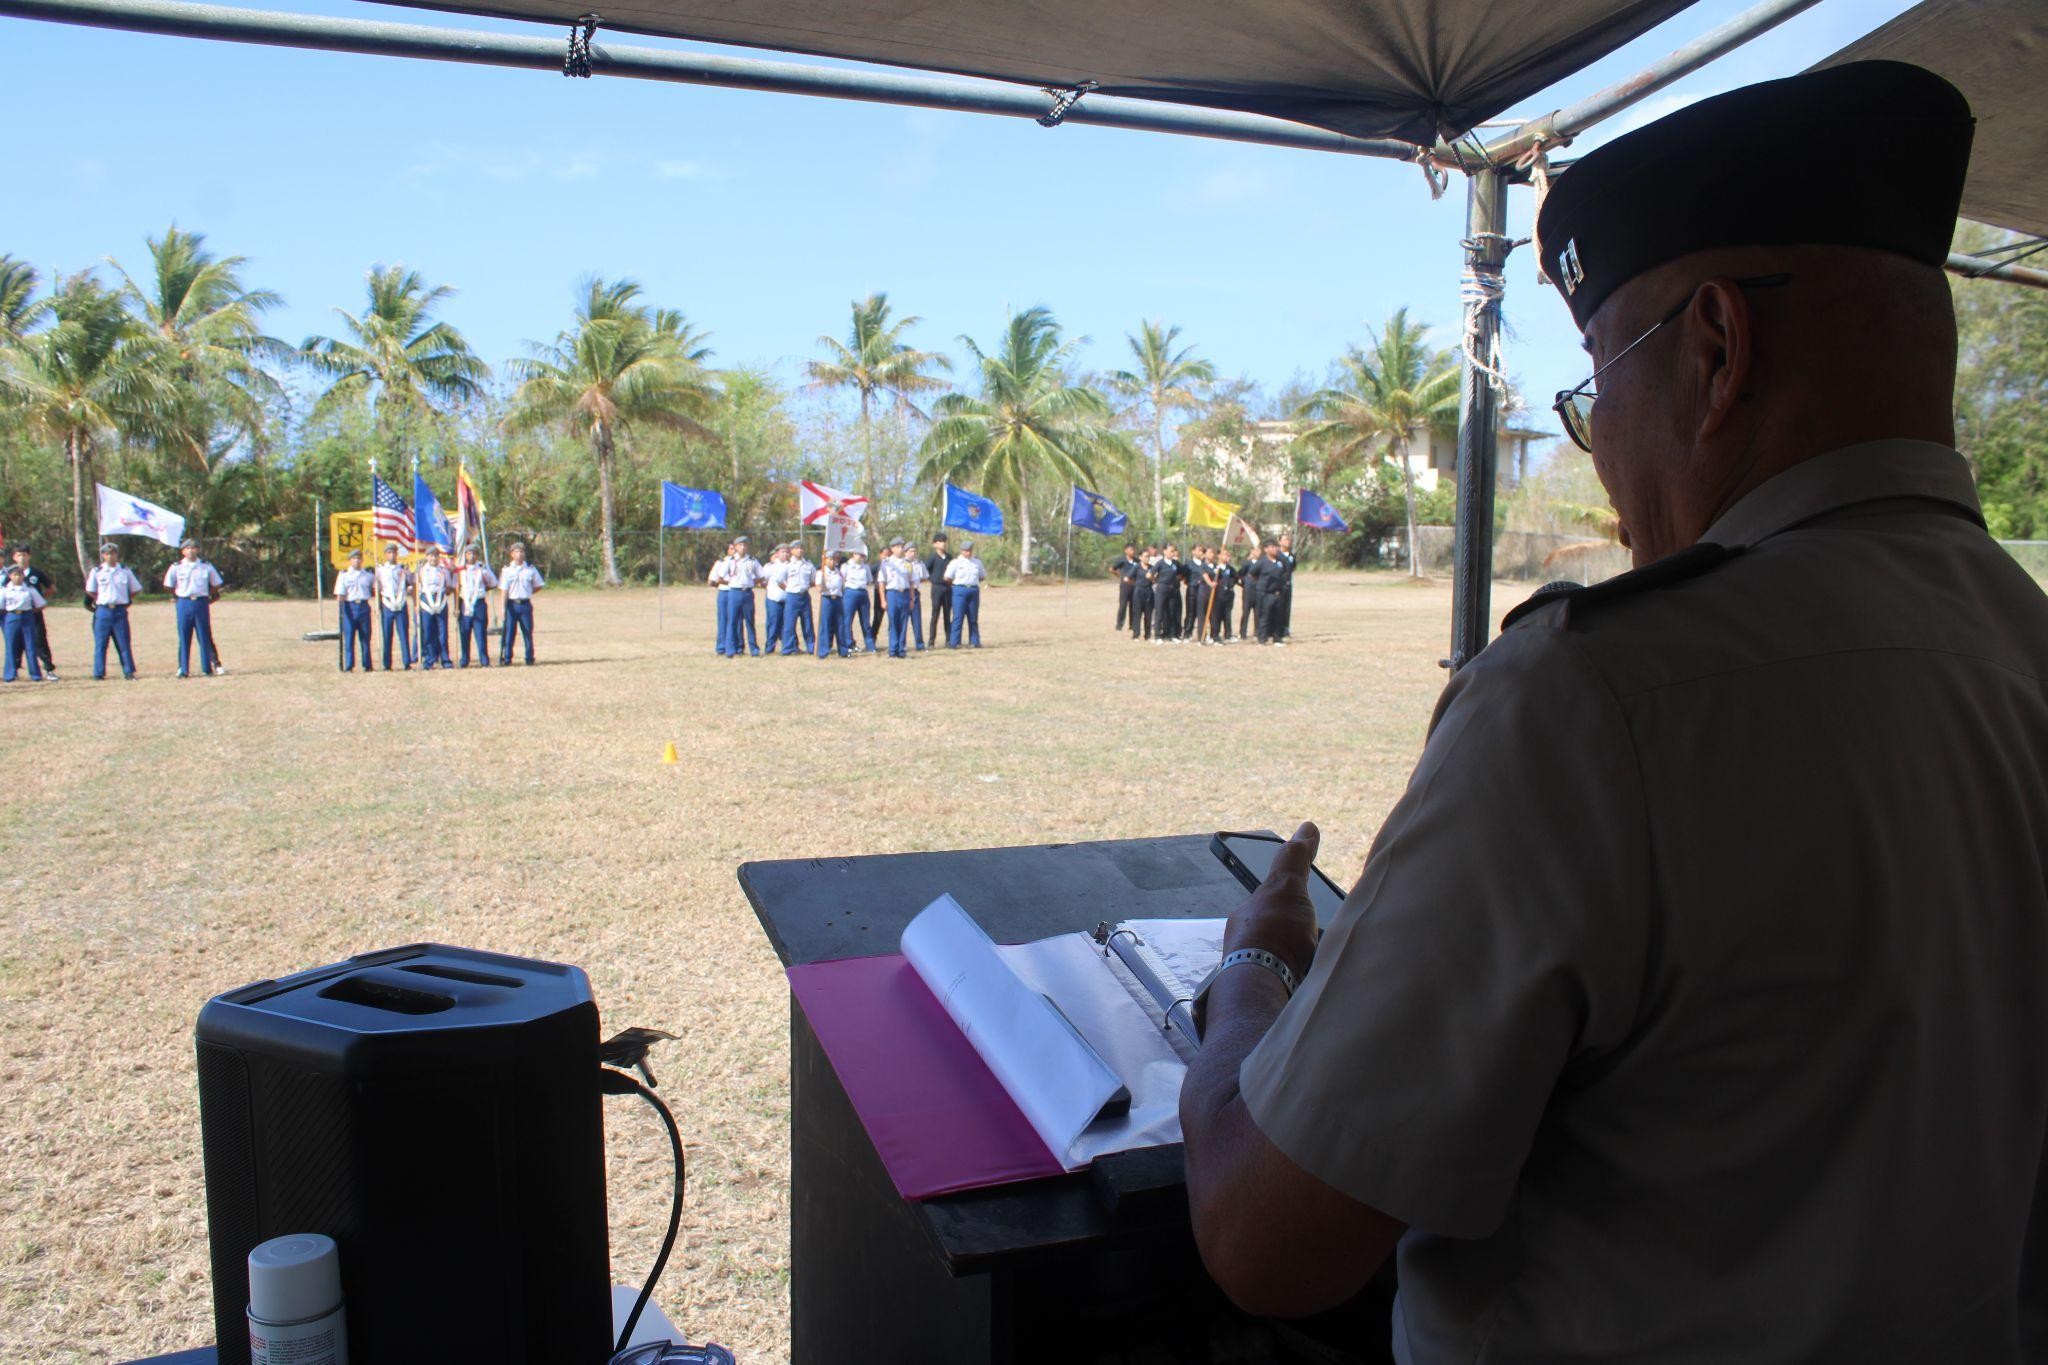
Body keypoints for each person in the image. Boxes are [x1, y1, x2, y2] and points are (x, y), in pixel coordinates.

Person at [1179, 63, 2048, 1363]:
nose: (1598, 447)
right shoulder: (2019, 645)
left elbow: (1267, 1238)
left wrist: (1249, 984)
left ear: (1714, 347)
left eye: (1595, 386)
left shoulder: (1603, 701)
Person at [163, 539, 223, 679]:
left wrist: (208, 594)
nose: (190, 551)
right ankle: (183, 669)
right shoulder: (176, 567)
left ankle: (207, 668)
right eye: (187, 548)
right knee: (184, 636)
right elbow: (168, 584)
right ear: (183, 551)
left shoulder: (205, 566)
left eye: (194, 548)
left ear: (198, 550)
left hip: (201, 601)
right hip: (184, 601)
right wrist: (177, 594)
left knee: (204, 635)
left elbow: (216, 583)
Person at [84, 541, 143, 680]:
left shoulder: (124, 570)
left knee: (123, 643)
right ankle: (98, 673)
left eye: (113, 553)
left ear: (117, 554)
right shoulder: (97, 571)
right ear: (103, 555)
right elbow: (90, 590)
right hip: (103, 610)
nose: (110, 556)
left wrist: (125, 599)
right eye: (107, 553)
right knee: (101, 644)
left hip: (119, 611)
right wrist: (101, 599)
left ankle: (128, 671)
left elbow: (136, 589)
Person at [10, 545, 57, 678]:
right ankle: (15, 670)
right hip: (16, 614)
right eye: (19, 555)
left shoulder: (36, 572)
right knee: (15, 642)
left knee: (39, 640)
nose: (22, 558)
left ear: (29, 556)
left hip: (34, 614)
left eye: (24, 554)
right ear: (14, 557)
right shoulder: (10, 573)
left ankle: (48, 669)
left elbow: (52, 588)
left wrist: (39, 599)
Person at [498, 542, 544, 665]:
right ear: (512, 554)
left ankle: (529, 658)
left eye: (522, 552)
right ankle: (507, 658)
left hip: (525, 605)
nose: (519, 554)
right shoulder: (507, 570)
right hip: (511, 604)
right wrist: (502, 607)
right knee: (509, 633)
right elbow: (504, 590)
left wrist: (529, 592)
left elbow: (539, 585)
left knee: (528, 632)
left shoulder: (530, 569)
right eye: (517, 552)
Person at [1, 563, 48, 682]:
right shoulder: (5, 590)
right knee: (11, 645)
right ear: (10, 576)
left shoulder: (29, 589)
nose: (18, 577)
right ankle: (9, 674)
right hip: (11, 617)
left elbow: (41, 604)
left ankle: (35, 674)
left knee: (30, 646)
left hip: (27, 616)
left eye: (20, 575)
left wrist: (30, 612)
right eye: (15, 575)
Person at [332, 549, 376, 673]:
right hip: (349, 606)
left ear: (362, 560)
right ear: (350, 560)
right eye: (354, 558)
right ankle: (349, 665)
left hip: (363, 607)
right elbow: (340, 595)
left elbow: (374, 590)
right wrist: (341, 610)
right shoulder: (344, 575)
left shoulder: (368, 575)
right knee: (349, 638)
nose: (356, 561)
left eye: (358, 558)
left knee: (365, 637)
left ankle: (367, 665)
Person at [376, 542, 416, 672]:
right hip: (387, 604)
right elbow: (377, 588)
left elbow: (411, 583)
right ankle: (387, 664)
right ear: (386, 554)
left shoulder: (403, 569)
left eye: (394, 552)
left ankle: (406, 662)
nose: (392, 555)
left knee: (403, 634)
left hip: (401, 604)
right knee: (387, 634)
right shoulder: (380, 570)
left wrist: (410, 588)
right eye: (389, 552)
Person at [455, 545, 497, 668]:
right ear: (465, 556)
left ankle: (484, 660)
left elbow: (493, 583)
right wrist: (456, 607)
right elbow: (457, 589)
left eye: (474, 553)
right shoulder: (461, 571)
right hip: (465, 603)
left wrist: (483, 590)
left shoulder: (483, 569)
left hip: (479, 604)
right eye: (469, 553)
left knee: (480, 633)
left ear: (477, 555)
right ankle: (464, 659)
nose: (471, 556)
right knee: (464, 632)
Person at [943, 539, 986, 648]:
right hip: (959, 590)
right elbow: (947, 577)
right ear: (962, 551)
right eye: (966, 550)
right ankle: (954, 642)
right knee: (958, 617)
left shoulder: (977, 562)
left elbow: (982, 576)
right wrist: (957, 585)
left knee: (973, 618)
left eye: (970, 550)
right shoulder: (955, 562)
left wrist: (972, 583)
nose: (968, 552)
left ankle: (975, 641)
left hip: (973, 590)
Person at [417, 545, 454, 670]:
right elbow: (417, 587)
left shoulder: (443, 571)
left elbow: (448, 588)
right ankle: (429, 660)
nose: (434, 558)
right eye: (431, 556)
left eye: (436, 556)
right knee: (427, 633)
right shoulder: (421, 571)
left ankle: (445, 659)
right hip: (426, 602)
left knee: (442, 633)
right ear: (427, 557)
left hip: (441, 601)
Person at [878, 537, 916, 659]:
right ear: (892, 548)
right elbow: (882, 583)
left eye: (902, 547)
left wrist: (912, 598)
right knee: (893, 622)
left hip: (904, 593)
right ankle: (893, 650)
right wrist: (883, 600)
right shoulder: (886, 563)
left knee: (904, 622)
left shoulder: (908, 564)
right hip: (892, 593)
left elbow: (911, 582)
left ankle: (901, 649)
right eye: (898, 547)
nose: (901, 549)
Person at [1244, 540, 1285, 645]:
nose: (1275, 549)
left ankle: (1277, 637)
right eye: (1272, 547)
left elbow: (1285, 572)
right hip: (1265, 593)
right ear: (1266, 549)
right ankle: (1262, 638)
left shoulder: (1280, 561)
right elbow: (1252, 574)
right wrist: (1262, 584)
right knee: (1264, 616)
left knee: (1278, 616)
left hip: (1278, 593)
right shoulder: (1262, 562)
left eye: (1276, 547)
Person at [815, 551, 852, 659]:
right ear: (825, 560)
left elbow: (842, 586)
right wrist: (821, 584)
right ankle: (823, 650)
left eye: (834, 559)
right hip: (827, 599)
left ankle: (843, 650)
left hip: (838, 599)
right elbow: (818, 588)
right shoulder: (821, 572)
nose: (832, 561)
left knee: (840, 625)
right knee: (825, 625)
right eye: (830, 559)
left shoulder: (838, 572)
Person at [783, 543, 817, 656]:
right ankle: (788, 648)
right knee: (789, 624)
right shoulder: (787, 565)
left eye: (801, 548)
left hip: (804, 596)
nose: (800, 550)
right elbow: (779, 581)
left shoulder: (808, 565)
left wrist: (804, 588)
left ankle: (811, 646)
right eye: (797, 548)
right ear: (791, 550)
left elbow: (813, 581)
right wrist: (790, 589)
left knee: (807, 623)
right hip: (792, 596)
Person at [842, 549, 877, 654]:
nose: (860, 556)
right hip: (850, 593)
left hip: (863, 593)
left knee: (865, 621)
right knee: (847, 620)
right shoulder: (846, 566)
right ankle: (849, 644)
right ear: (852, 554)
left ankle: (870, 645)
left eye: (862, 554)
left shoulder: (865, 567)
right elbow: (842, 579)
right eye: (858, 554)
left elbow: (869, 580)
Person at [1148, 543, 1183, 643]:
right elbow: (1150, 574)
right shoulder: (1160, 563)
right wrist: (1156, 580)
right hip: (1162, 589)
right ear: (1164, 551)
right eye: (1171, 551)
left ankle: (1172, 635)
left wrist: (1177, 580)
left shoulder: (1175, 564)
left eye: (1173, 551)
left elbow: (1181, 573)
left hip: (1172, 590)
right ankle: (1158, 636)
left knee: (1171, 612)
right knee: (1159, 612)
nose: (1172, 553)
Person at [924, 533, 954, 646]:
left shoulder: (949, 557)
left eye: (945, 541)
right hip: (937, 588)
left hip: (948, 587)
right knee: (935, 614)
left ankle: (949, 639)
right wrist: (932, 579)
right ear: (935, 544)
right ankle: (931, 641)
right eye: (941, 541)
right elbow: (925, 570)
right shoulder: (932, 557)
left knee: (947, 614)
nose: (943, 544)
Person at [760, 544, 790, 655]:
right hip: (774, 599)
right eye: (783, 552)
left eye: (787, 552)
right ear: (777, 553)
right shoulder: (770, 566)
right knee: (773, 624)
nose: (785, 554)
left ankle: (787, 647)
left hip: (787, 600)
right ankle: (770, 648)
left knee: (787, 625)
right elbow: (763, 581)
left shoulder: (791, 565)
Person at [1110, 543, 1142, 632]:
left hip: (1134, 585)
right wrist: (1120, 575)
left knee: (1134, 605)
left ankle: (1132, 625)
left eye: (1133, 550)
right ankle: (1119, 625)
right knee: (1123, 605)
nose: (1133, 551)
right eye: (1131, 550)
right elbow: (1111, 569)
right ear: (1126, 551)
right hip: (1125, 586)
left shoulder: (1137, 561)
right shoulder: (1122, 560)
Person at [1209, 548, 1236, 644]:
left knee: (1227, 615)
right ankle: (1215, 634)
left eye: (1228, 555)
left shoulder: (1230, 569)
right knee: (1216, 615)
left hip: (1228, 594)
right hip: (1218, 594)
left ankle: (1228, 634)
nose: (1226, 557)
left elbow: (1235, 578)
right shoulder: (1216, 568)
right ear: (1219, 556)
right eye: (1224, 555)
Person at [1130, 546, 1155, 641]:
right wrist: (1136, 585)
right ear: (1140, 557)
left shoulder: (1151, 568)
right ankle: (1136, 635)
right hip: (1138, 592)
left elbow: (1155, 579)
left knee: (1148, 614)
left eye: (1148, 556)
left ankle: (1147, 635)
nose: (1147, 558)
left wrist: (1152, 578)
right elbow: (1127, 578)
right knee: (1137, 614)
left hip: (1149, 591)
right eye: (1145, 556)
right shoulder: (1136, 567)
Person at [1275, 533, 1297, 639]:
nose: (1287, 541)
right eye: (1285, 539)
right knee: (1277, 607)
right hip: (1278, 585)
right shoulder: (1276, 555)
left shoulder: (1291, 555)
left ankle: (1285, 629)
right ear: (1279, 542)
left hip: (1288, 584)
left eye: (1288, 539)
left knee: (1287, 607)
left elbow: (1293, 568)